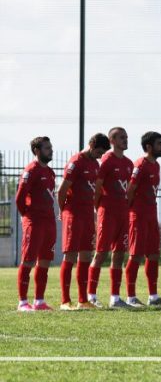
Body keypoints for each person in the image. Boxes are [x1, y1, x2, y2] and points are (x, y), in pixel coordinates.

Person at [57, 133, 110, 310]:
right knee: (70, 256)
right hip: (73, 214)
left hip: (87, 215)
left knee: (86, 255)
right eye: (99, 152)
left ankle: (82, 300)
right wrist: (63, 211)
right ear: (91, 145)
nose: (100, 156)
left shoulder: (95, 164)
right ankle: (65, 301)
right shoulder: (76, 162)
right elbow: (62, 190)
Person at [87, 127, 134, 309]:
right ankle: (91, 295)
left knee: (119, 254)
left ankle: (115, 298)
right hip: (107, 213)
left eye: (126, 137)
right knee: (101, 253)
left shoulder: (129, 163)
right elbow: (97, 187)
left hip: (123, 213)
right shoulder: (106, 160)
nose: (125, 140)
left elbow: (128, 189)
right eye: (122, 137)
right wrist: (99, 209)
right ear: (112, 140)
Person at [124, 131, 161, 307]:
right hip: (138, 216)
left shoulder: (156, 165)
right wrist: (130, 214)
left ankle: (153, 296)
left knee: (154, 254)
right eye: (159, 144)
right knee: (136, 255)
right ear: (149, 147)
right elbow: (129, 191)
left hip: (151, 215)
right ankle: (131, 297)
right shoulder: (140, 165)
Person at [15, 137, 56, 311]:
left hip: (49, 221)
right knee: (28, 260)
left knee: (45, 261)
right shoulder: (31, 170)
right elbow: (20, 197)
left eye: (51, 147)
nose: (51, 150)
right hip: (34, 221)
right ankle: (23, 303)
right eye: (47, 148)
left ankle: (39, 301)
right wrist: (26, 216)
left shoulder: (50, 172)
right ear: (37, 151)